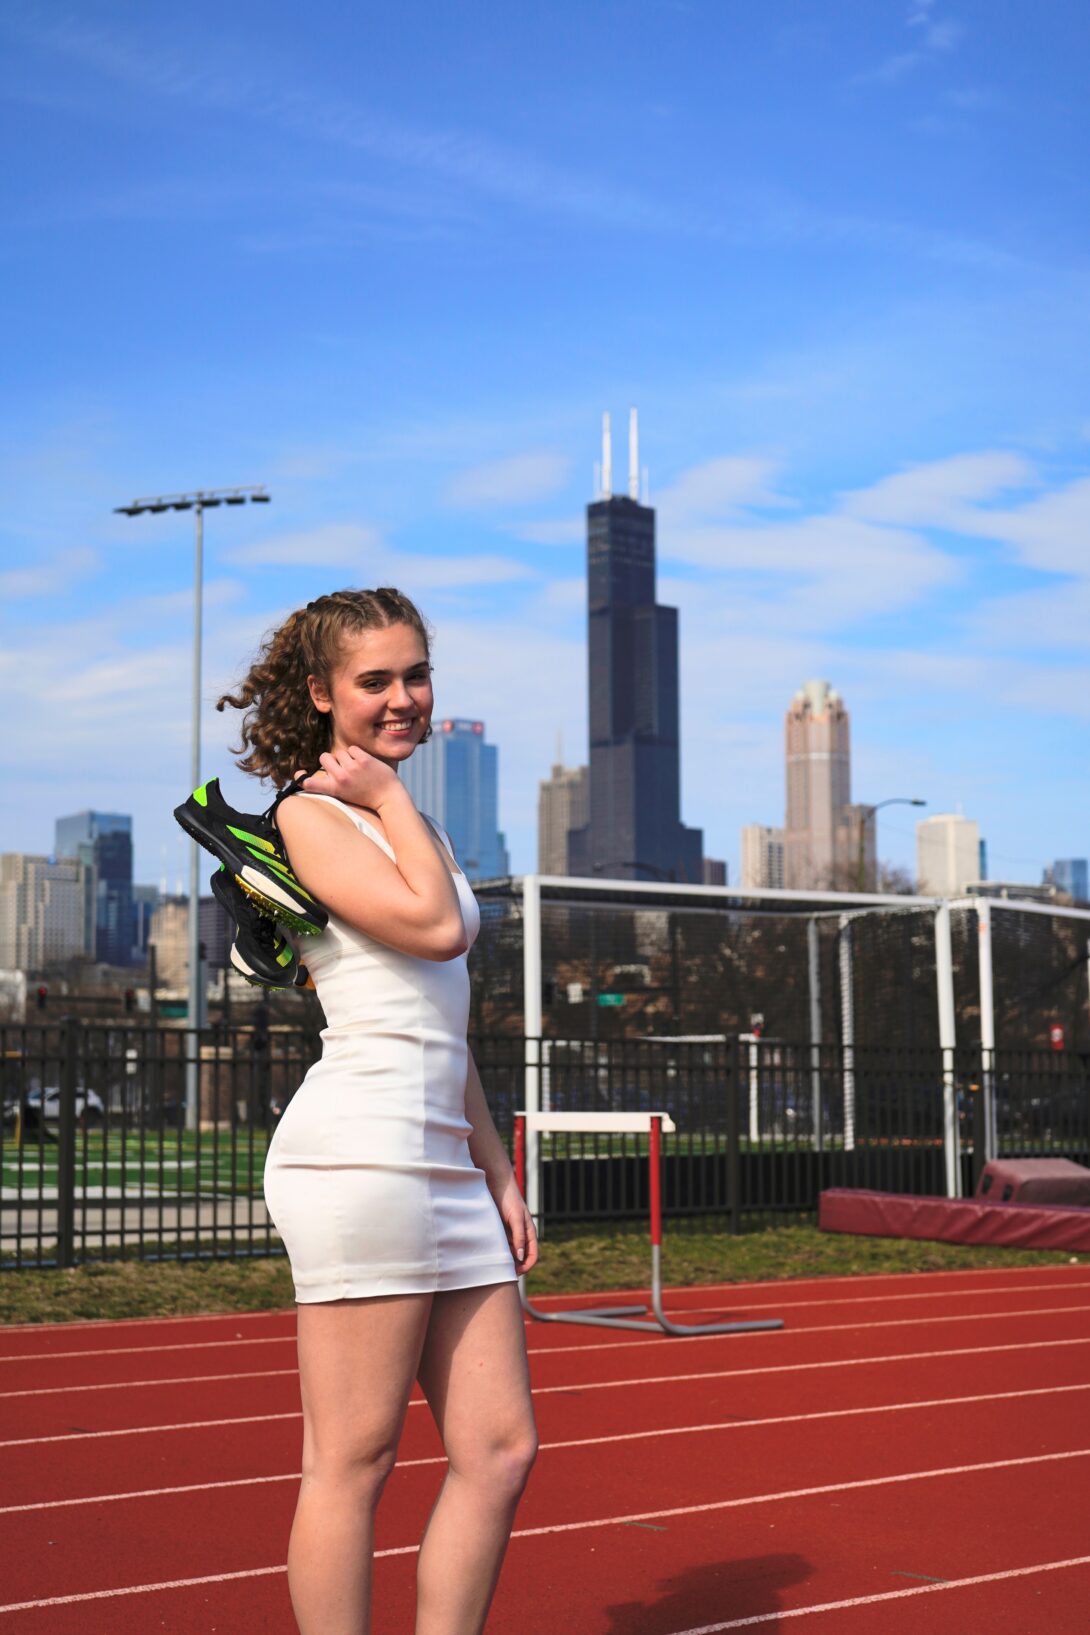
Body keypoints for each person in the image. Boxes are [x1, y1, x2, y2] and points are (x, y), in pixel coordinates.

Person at [216, 587, 538, 1635]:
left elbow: (445, 1019)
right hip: (358, 1159)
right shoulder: (312, 815)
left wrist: (495, 1168)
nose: (403, 698)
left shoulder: (417, 818)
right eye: (374, 681)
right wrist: (392, 804)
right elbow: (435, 934)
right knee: (352, 1459)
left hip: (441, 1152)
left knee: (498, 1450)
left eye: (415, 674)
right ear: (320, 695)